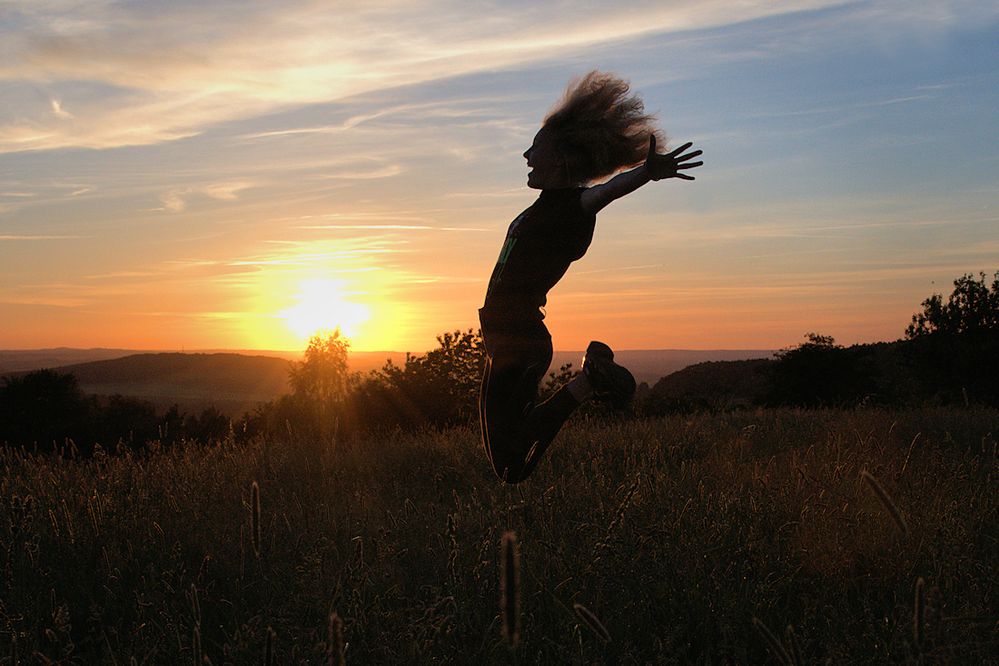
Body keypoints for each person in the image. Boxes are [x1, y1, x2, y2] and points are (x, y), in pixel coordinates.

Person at [478, 71, 703, 484]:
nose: (527, 155)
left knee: (510, 465)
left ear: (561, 159)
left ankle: (588, 380)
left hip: (520, 340)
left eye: (536, 147)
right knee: (506, 458)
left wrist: (646, 173)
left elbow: (606, 191)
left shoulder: (571, 207)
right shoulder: (543, 207)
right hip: (505, 339)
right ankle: (589, 379)